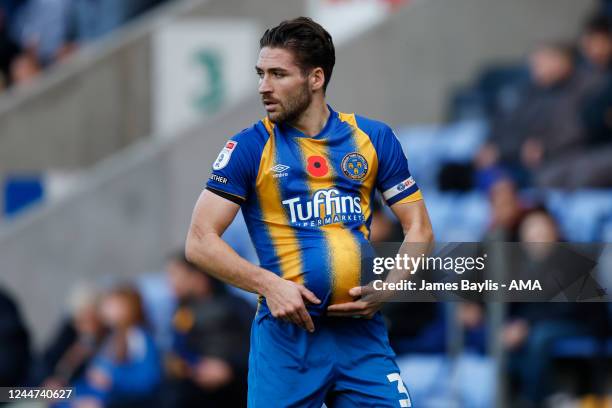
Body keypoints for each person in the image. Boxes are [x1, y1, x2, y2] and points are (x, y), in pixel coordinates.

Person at [185, 17, 433, 407]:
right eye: (261, 74)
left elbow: (419, 228)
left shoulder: (372, 138)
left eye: (278, 74)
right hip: (287, 344)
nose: (264, 87)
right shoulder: (250, 148)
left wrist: (390, 287)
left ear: (315, 78)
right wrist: (269, 285)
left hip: (361, 337)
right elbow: (199, 241)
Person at [163, 252, 252, 408]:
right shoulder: (181, 312)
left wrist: (229, 368)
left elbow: (256, 344)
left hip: (237, 386)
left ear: (198, 277)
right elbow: (177, 352)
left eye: (176, 275)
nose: (171, 282)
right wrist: (195, 367)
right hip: (195, 389)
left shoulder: (236, 305)